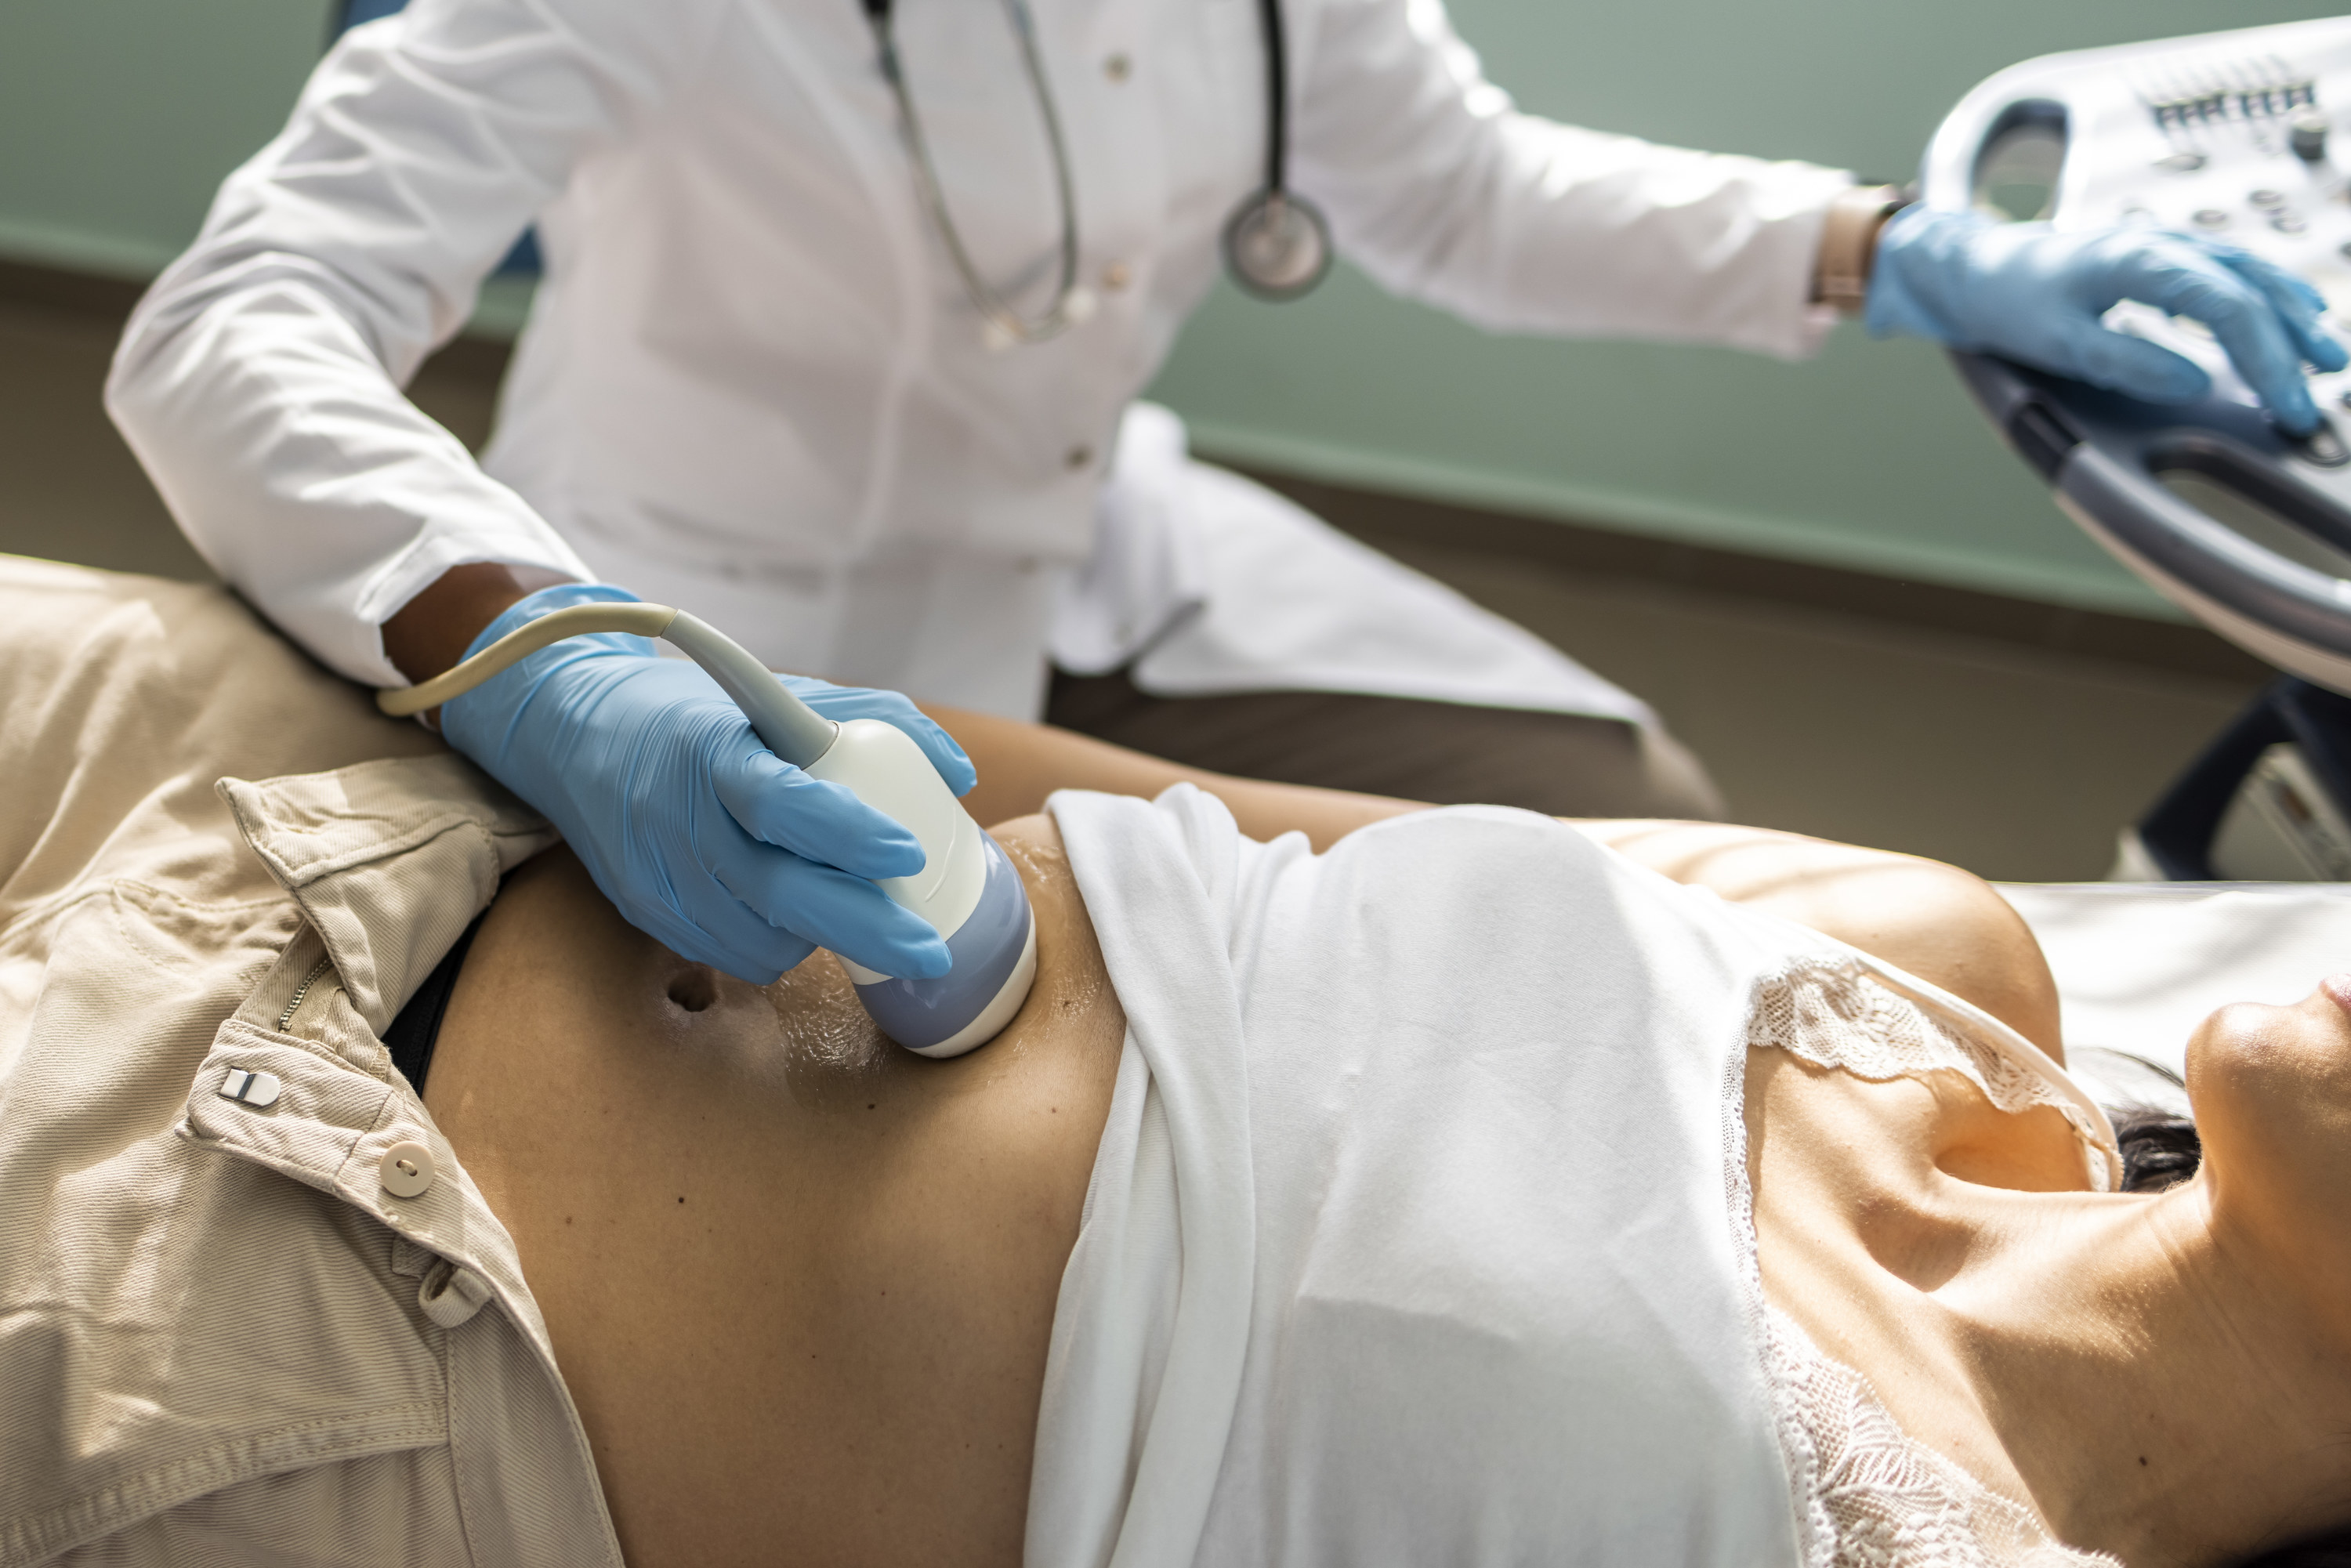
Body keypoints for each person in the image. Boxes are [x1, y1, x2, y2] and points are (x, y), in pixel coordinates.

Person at [13, 554, 2351, 1567]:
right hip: (344, 815)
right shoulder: (1932, 968)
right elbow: (1145, 816)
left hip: (239, 1324)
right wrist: (597, 675)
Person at [100, 0, 2347, 1002]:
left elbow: (1465, 189)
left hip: (1099, 539)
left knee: (1631, 805)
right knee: (1129, 1055)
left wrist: (1889, 256)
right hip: (711, 633)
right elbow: (231, 319)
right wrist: (537, 650)